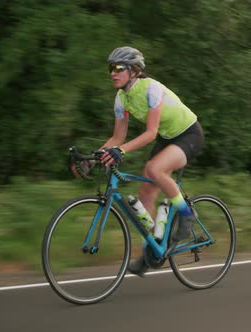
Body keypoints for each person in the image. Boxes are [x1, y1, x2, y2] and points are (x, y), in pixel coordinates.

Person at [99, 46, 204, 276]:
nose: (112, 73)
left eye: (118, 68)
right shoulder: (121, 99)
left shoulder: (152, 89)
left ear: (134, 70)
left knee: (155, 169)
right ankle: (154, 249)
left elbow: (150, 133)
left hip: (189, 134)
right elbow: (117, 138)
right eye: (110, 69)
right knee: (146, 192)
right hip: (168, 137)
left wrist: (121, 151)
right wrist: (95, 155)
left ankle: (187, 214)